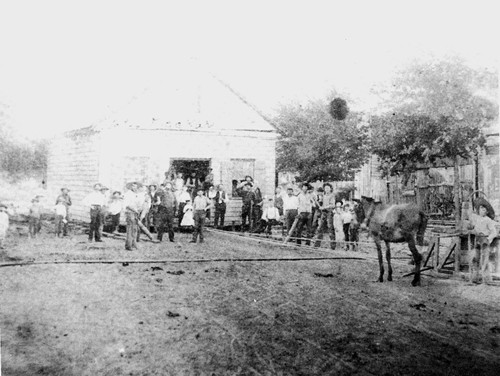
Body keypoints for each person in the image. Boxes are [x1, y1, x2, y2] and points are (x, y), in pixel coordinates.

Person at [467, 203, 499, 283]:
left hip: (485, 239)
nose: (482, 211)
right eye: (481, 209)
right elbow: (474, 227)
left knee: (485, 260)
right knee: (475, 258)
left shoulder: (488, 220)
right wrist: (471, 229)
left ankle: (486, 280)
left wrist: (488, 239)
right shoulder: (477, 218)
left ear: (487, 212)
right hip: (477, 239)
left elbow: (494, 232)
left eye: (484, 210)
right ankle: (474, 278)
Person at [313, 183, 336, 249]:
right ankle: (317, 244)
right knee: (320, 228)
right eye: (326, 188)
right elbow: (319, 202)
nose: (327, 190)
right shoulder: (323, 196)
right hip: (323, 213)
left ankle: (333, 246)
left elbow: (333, 205)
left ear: (330, 189)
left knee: (330, 228)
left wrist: (324, 207)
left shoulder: (332, 196)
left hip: (329, 213)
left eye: (328, 188)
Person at [123, 182, 143, 251]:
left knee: (135, 229)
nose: (134, 188)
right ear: (130, 187)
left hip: (135, 213)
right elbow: (127, 205)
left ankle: (134, 244)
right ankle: (128, 245)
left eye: (135, 186)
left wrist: (139, 209)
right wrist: (135, 210)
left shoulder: (136, 195)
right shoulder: (128, 194)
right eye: (133, 186)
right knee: (130, 229)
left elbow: (139, 204)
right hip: (130, 213)